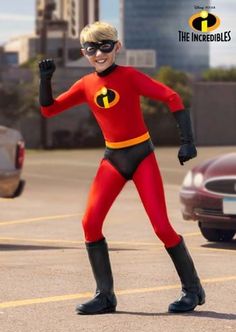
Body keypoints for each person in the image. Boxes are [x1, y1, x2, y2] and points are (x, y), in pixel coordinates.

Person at [39, 21, 205, 315]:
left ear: (117, 47)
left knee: (161, 227)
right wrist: (45, 80)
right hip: (113, 158)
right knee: (90, 224)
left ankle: (192, 289)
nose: (99, 54)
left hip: (141, 155)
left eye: (105, 46)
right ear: (83, 52)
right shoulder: (85, 84)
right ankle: (105, 296)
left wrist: (187, 141)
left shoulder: (129, 77)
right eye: (91, 48)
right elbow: (49, 110)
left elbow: (172, 97)